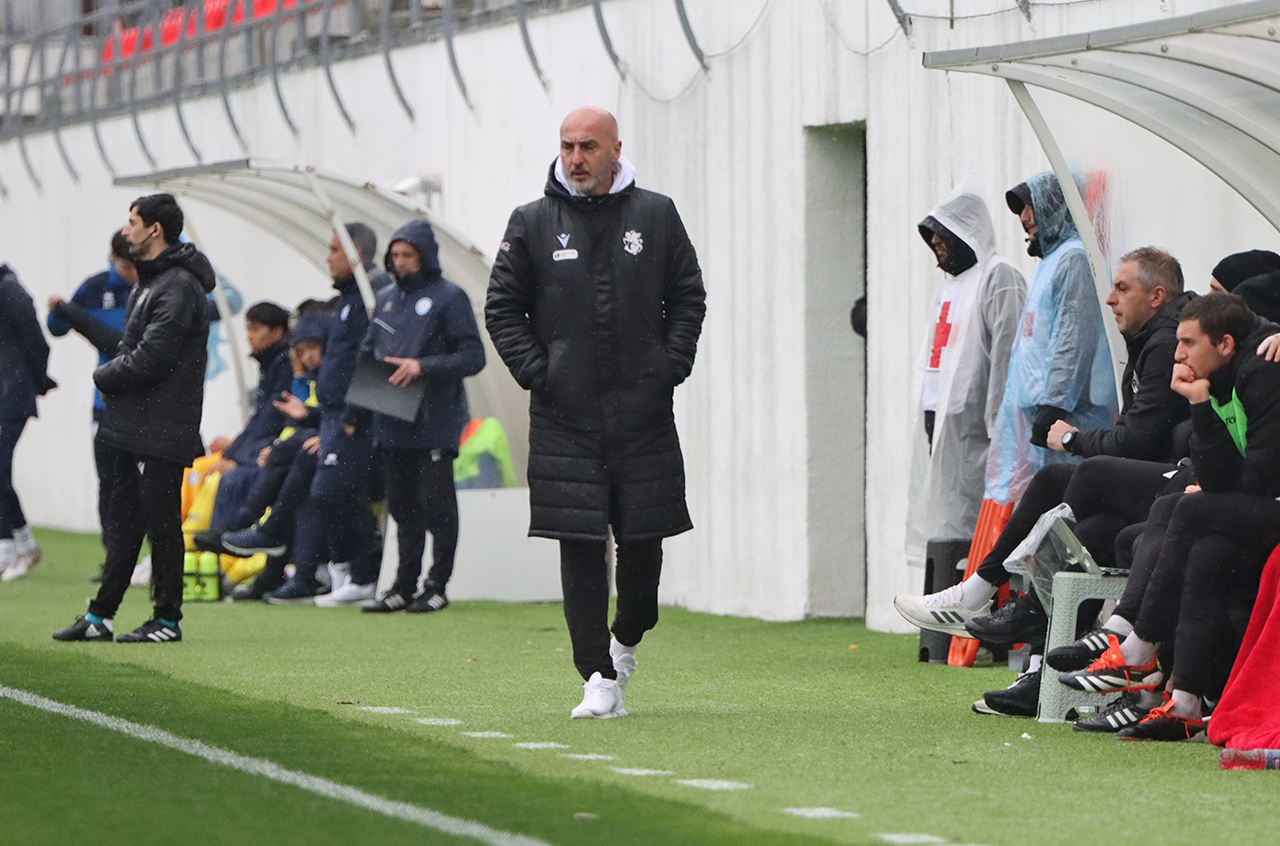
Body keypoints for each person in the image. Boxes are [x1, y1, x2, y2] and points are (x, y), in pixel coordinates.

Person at [895, 247, 1190, 716]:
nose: (1110, 298)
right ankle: (1032, 659)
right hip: (1163, 484)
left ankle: (1016, 603)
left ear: (1157, 296)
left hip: (1180, 486)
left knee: (1086, 473)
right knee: (1081, 517)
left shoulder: (1168, 339)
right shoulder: (1153, 339)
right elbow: (1143, 434)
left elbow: (1139, 440)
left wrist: (1072, 437)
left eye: (1122, 288)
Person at [486, 106, 706, 719]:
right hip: (566, 418)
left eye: (588, 146)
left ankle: (627, 637)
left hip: (643, 414)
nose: (576, 158)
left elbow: (688, 295)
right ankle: (597, 677)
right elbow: (501, 307)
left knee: (643, 551)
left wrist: (669, 364)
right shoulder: (531, 222)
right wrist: (542, 373)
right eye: (567, 146)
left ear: (615, 150)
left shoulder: (655, 215)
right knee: (580, 547)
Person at [1056, 294, 1280, 741]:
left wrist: (1212, 487)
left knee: (1186, 505)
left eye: (1188, 343)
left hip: (1269, 502)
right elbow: (1220, 475)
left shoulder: (1262, 371)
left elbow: (1257, 477)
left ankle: (1135, 645)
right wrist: (1198, 403)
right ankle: (1185, 703)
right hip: (1259, 504)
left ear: (1225, 344)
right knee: (1205, 546)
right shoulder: (1218, 377)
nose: (1178, 355)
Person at [53, 193, 214, 642]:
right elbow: (130, 346)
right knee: (123, 522)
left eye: (132, 222)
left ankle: (167, 620)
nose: (126, 231)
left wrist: (103, 376)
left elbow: (152, 357)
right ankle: (99, 617)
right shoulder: (150, 280)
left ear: (154, 230)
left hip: (163, 425)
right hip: (132, 420)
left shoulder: (178, 286)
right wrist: (115, 376)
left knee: (162, 522)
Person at [223, 226, 383, 607]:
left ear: (357, 254)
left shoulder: (370, 299)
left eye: (335, 250)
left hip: (354, 423)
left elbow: (372, 359)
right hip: (332, 418)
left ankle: (351, 568)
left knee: (325, 489)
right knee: (309, 477)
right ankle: (309, 560)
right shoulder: (347, 301)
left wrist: (350, 415)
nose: (328, 257)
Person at [358, 220, 485, 613]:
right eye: (395, 255)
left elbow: (473, 357)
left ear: (425, 256)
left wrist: (422, 366)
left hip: (434, 419)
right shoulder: (385, 298)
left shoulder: (450, 297)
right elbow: (368, 349)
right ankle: (403, 585)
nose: (399, 262)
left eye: (407, 255)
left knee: (437, 505)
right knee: (402, 507)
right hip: (392, 417)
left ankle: (437, 585)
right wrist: (360, 400)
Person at [904, 181, 1026, 567]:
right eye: (931, 233)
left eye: (943, 231)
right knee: (945, 529)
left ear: (967, 232)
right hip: (944, 434)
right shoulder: (947, 286)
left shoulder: (999, 277)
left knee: (979, 534)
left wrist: (999, 426)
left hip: (981, 436)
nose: (935, 241)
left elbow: (1008, 355)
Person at [46, 231, 136, 580]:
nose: (131, 273)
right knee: (110, 481)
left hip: (150, 402)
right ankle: (114, 558)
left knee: (151, 483)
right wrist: (58, 311)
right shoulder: (96, 287)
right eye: (125, 267)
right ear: (112, 257)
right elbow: (58, 327)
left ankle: (157, 558)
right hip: (107, 401)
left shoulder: (155, 287)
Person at [200, 301, 293, 535]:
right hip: (264, 446)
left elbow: (270, 420)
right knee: (203, 470)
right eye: (248, 329)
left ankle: (224, 541)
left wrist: (237, 457)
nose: (248, 336)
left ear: (277, 332)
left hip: (275, 449)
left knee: (232, 478)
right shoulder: (271, 361)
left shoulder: (285, 363)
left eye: (255, 329)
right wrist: (232, 452)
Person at [0, 263, 57, 581]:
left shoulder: (9, 290)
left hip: (12, 393)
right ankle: (8, 546)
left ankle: (22, 544)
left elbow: (36, 340)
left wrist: (37, 378)